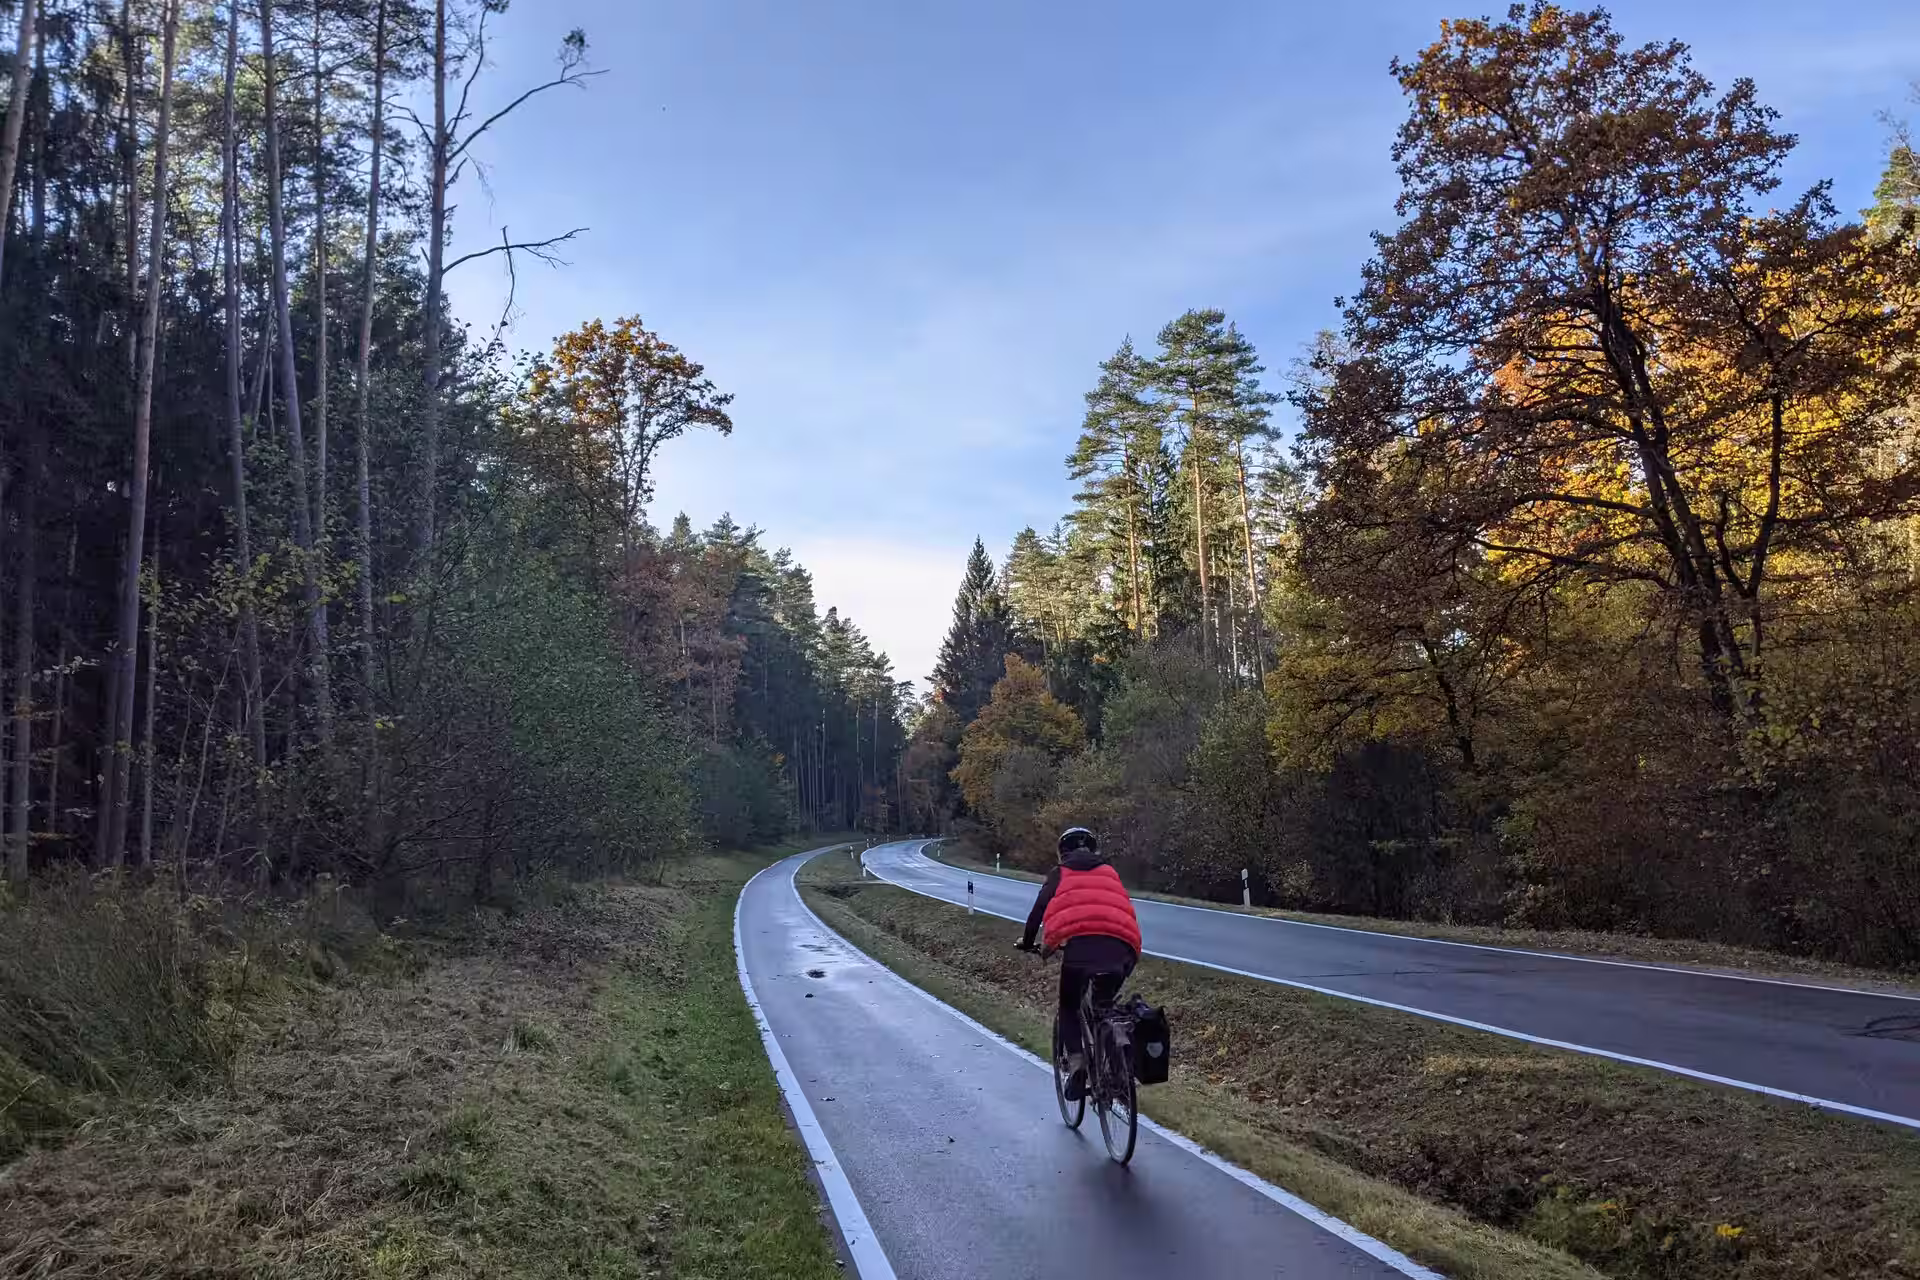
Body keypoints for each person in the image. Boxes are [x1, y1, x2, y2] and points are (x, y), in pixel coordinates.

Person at [1018, 827, 1141, 1101]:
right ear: (1094, 851)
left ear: (1062, 853)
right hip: (1123, 947)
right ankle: (1117, 1065)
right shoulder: (1109, 872)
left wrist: (1028, 942)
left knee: (1069, 1007)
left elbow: (1038, 911)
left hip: (1081, 951)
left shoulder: (1059, 873)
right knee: (1104, 1006)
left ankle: (1077, 1065)